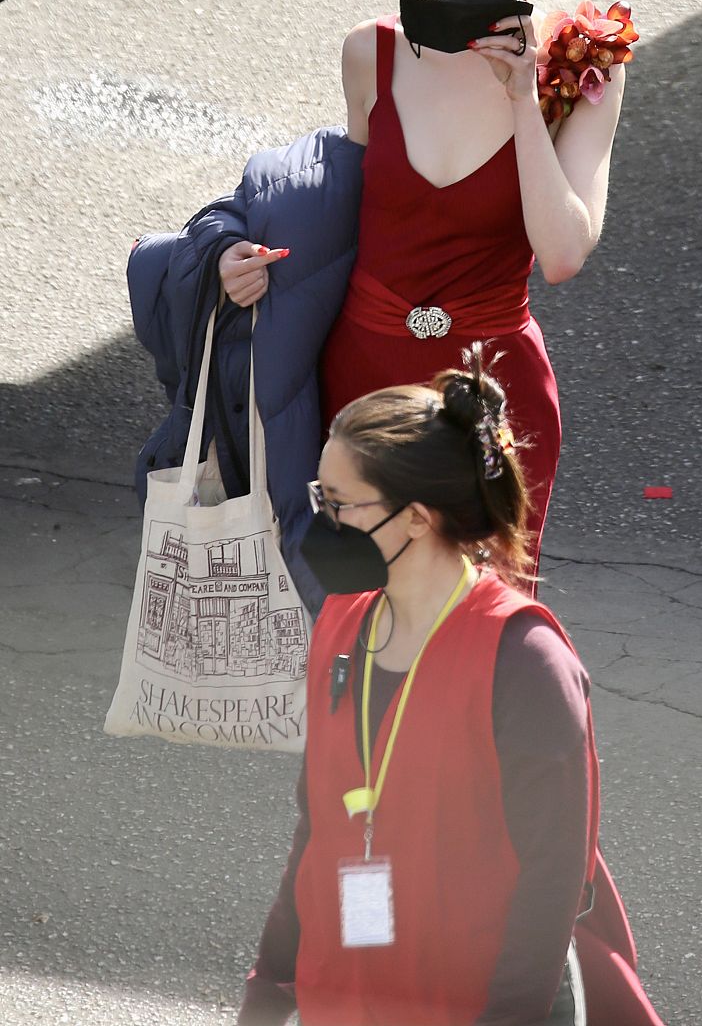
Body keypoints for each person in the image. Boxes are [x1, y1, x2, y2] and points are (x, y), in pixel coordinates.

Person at [220, 0, 631, 571]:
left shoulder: (581, 68)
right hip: (361, 379)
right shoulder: (371, 51)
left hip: (492, 397)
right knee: (351, 616)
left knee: (474, 637)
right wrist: (236, 259)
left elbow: (564, 253)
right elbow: (327, 219)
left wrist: (520, 101)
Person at [237, 348, 664, 1026]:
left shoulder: (525, 662)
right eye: (321, 496)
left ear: (416, 517)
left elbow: (549, 888)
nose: (321, 522)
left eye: (339, 503)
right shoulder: (342, 624)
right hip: (349, 997)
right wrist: (269, 989)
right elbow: (315, 827)